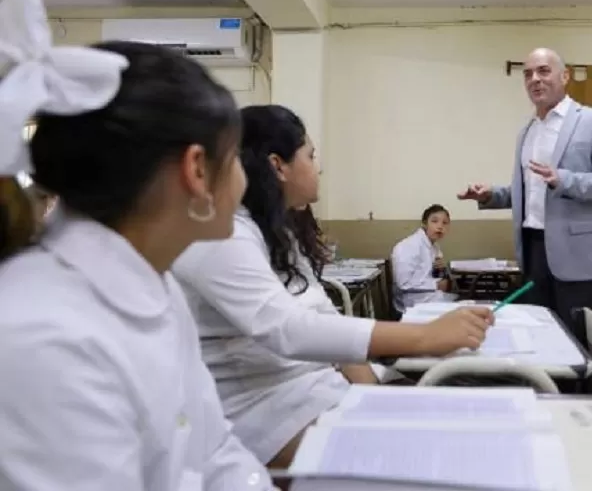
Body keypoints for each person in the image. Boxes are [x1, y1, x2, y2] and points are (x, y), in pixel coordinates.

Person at [0, 0, 274, 490]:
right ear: (197, 170)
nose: (245, 178)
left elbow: (215, 453)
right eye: (236, 157)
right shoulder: (42, 335)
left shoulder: (157, 285)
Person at [172, 105, 494, 470]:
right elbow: (287, 330)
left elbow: (326, 320)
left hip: (313, 387)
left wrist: (375, 399)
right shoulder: (221, 236)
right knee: (430, 457)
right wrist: (423, 337)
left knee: (458, 419)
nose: (318, 166)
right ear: (278, 166)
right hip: (264, 411)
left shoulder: (276, 231)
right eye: (310, 155)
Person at [458, 47, 592, 331]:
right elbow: (528, 193)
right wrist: (491, 195)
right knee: (538, 340)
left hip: (577, 259)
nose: (534, 79)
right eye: (528, 74)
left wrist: (564, 179)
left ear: (565, 76)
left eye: (543, 71)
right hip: (532, 252)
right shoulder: (527, 131)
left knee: (577, 346)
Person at [391, 203, 457, 312]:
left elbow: (429, 274)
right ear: (424, 224)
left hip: (427, 295)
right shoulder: (409, 246)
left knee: (462, 300)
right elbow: (403, 283)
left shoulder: (434, 246)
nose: (440, 226)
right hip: (411, 301)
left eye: (445, 223)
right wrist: (436, 284)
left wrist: (441, 270)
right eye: (434, 221)